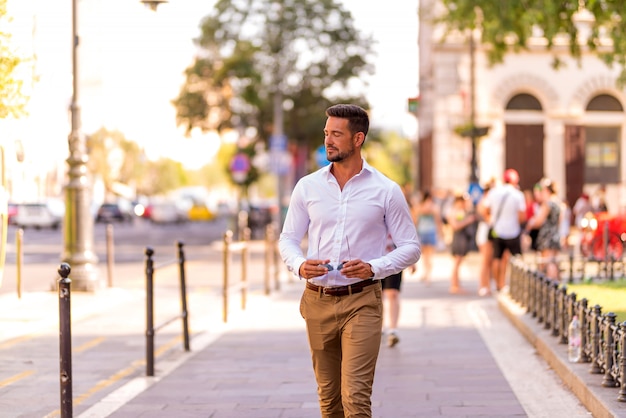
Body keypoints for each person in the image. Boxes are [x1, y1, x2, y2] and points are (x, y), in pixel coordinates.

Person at [278, 104, 421, 417]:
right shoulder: (308, 187)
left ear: (358, 139)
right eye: (327, 133)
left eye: (336, 134)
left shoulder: (386, 190)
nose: (328, 140)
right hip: (317, 301)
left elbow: (411, 246)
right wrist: (300, 264)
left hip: (362, 302)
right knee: (329, 402)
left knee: (355, 399)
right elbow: (287, 239)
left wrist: (375, 267)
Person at [479, 168, 526, 292]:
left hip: (498, 231)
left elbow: (485, 210)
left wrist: (491, 219)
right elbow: (522, 216)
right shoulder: (518, 194)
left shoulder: (494, 192)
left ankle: (498, 284)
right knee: (516, 260)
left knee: (497, 258)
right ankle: (512, 285)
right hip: (513, 231)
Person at [525, 178, 562, 280]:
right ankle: (556, 283)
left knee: (547, 262)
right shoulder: (558, 203)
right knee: (554, 261)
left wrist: (530, 224)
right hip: (555, 234)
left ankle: (551, 284)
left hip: (547, 236)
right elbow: (560, 221)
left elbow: (538, 221)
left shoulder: (548, 203)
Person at [448, 193, 477, 294]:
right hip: (458, 238)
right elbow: (455, 225)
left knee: (458, 262)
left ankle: (456, 284)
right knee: (457, 262)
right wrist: (467, 221)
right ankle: (454, 285)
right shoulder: (454, 211)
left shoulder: (460, 210)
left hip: (461, 238)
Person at [412, 190, 443, 285]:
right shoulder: (432, 207)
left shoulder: (421, 207)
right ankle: (427, 274)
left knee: (427, 256)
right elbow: (438, 221)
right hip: (428, 232)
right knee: (428, 256)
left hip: (425, 232)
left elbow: (415, 220)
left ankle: (427, 274)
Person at [381, 234, 403, 348]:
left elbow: (406, 238)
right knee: (377, 295)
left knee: (392, 293)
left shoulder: (395, 215)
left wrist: (411, 261)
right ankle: (380, 327)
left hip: (394, 259)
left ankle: (393, 330)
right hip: (373, 260)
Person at [475, 181, 495, 296]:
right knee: (485, 261)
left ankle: (486, 285)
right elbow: (485, 216)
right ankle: (483, 285)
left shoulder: (485, 201)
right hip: (485, 232)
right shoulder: (485, 201)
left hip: (486, 232)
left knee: (488, 261)